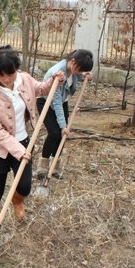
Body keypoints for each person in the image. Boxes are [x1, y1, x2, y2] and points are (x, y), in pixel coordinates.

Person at [0, 46, 64, 232]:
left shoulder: (25, 79)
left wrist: (53, 80)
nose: (6, 79)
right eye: (1, 75)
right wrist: (19, 152)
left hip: (24, 141)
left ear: (16, 68)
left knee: (25, 186)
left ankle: (17, 200)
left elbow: (41, 90)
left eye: (9, 74)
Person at [35, 49, 93, 179]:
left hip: (62, 102)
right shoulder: (58, 74)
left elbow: (75, 76)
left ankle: (55, 166)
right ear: (73, 61)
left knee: (62, 136)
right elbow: (55, 102)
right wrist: (63, 126)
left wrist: (85, 76)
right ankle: (42, 166)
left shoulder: (72, 69)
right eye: (79, 69)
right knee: (55, 133)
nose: (79, 72)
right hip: (46, 102)